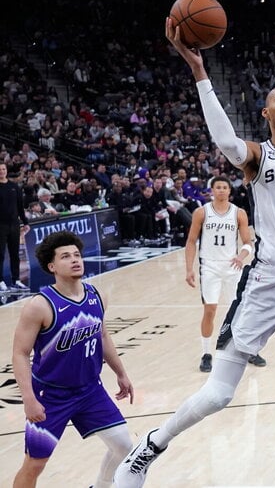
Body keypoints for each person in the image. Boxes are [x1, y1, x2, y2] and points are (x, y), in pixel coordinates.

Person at [114, 17, 275, 488]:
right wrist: (199, 71)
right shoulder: (256, 156)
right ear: (266, 112)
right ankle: (150, 446)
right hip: (269, 279)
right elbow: (226, 142)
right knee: (218, 394)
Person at [12, 230, 134, 487]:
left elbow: (103, 335)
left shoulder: (97, 295)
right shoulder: (40, 305)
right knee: (34, 465)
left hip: (90, 390)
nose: (75, 260)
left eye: (77, 255)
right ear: (52, 266)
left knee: (124, 445)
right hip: (50, 396)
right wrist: (29, 399)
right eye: (66, 256)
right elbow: (20, 353)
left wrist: (121, 373)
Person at [184, 175, 264, 372]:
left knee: (240, 310)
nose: (221, 190)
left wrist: (241, 256)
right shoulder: (201, 212)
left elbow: (247, 242)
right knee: (210, 310)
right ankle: (206, 353)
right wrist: (189, 269)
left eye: (224, 187)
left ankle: (248, 350)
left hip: (232, 267)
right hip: (209, 267)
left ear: (229, 191)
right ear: (212, 190)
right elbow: (191, 241)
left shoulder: (239, 213)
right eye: (217, 187)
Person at [0, 161, 30, 292]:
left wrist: (25, 222)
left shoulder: (14, 186)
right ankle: (0, 281)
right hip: (1, 226)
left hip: (14, 225)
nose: (2, 171)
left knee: (15, 254)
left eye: (3, 169)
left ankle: (16, 280)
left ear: (6, 170)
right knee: (0, 254)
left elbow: (20, 206)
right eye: (0, 169)